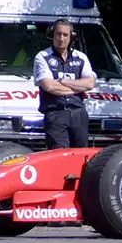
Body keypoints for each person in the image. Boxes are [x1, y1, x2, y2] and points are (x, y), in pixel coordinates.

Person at [33, 18, 97, 149]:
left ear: (71, 37)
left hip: (79, 114)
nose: (61, 38)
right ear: (52, 35)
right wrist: (78, 87)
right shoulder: (42, 56)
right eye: (58, 34)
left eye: (65, 35)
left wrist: (63, 82)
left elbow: (90, 83)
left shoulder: (81, 57)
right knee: (59, 156)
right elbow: (49, 86)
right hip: (56, 114)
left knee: (80, 154)